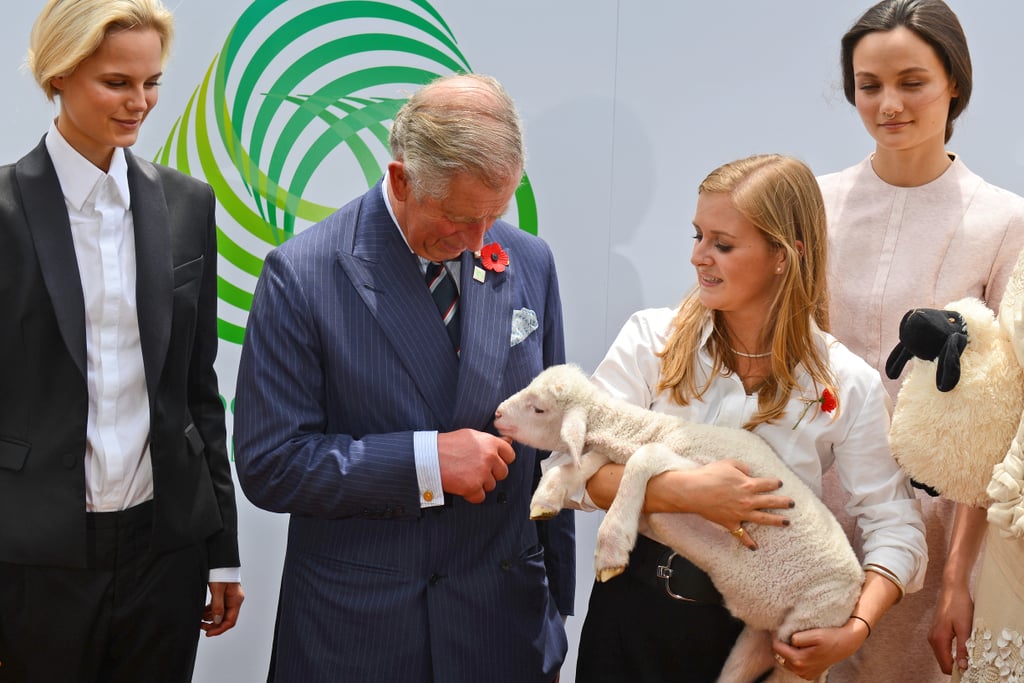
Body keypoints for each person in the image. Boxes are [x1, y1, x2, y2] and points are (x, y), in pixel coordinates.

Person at [233, 73, 575, 682]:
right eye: (458, 217)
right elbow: (271, 464)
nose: (477, 241)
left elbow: (555, 440)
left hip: (503, 627)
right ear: (400, 179)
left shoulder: (530, 260)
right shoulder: (304, 274)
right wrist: (426, 463)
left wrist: (555, 611)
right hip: (362, 635)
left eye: (493, 215)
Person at [563, 154, 926, 682]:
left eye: (722, 244)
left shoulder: (847, 381)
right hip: (632, 621)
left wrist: (854, 629)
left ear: (784, 254)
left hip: (760, 645)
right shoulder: (651, 340)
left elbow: (897, 526)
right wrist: (683, 491)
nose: (698, 257)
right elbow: (571, 473)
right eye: (697, 235)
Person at [0, 0, 243, 680]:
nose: (140, 102)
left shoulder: (188, 205)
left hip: (165, 553)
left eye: (152, 82)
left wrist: (220, 548)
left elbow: (200, 390)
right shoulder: (3, 211)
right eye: (117, 82)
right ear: (58, 75)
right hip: (30, 556)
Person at [816, 1, 1024, 680]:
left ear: (954, 83)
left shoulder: (1004, 221)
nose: (888, 104)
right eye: (869, 85)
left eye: (912, 82)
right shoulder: (813, 204)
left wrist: (960, 575)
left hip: (938, 530)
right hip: (815, 517)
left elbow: (996, 416)